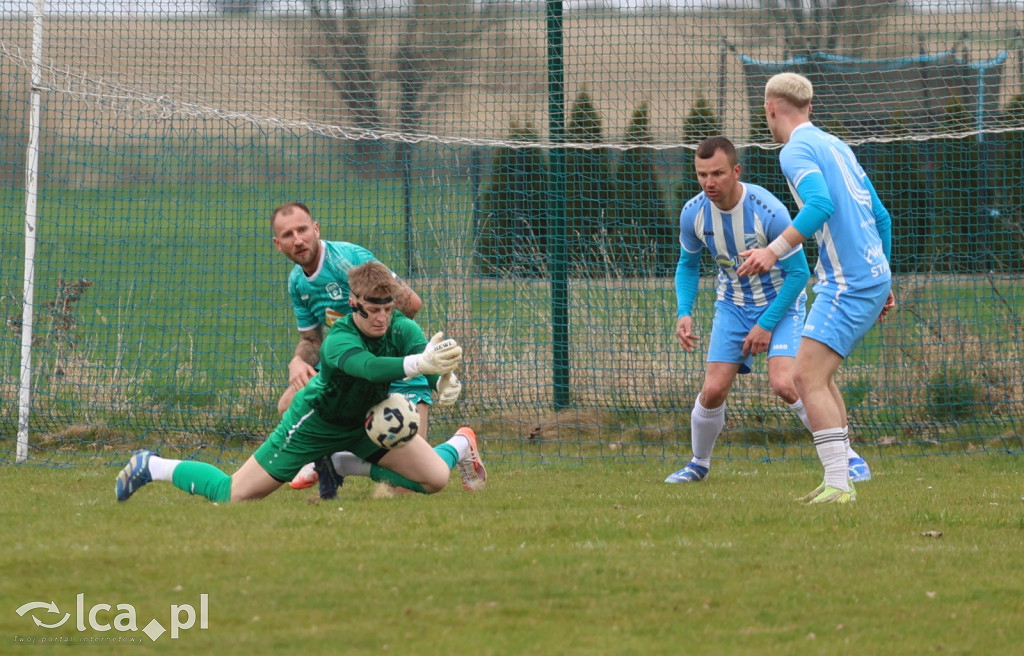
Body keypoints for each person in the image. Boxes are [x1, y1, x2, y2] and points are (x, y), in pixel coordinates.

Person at [115, 261, 487, 504]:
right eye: (373, 312)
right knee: (234, 494)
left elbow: (426, 355)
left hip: (365, 424)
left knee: (435, 479)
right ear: (354, 304)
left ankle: (443, 444)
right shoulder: (340, 339)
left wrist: (441, 380)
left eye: (388, 311)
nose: (382, 320)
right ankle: (151, 466)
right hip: (316, 422)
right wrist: (420, 363)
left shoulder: (401, 327)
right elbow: (372, 368)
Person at [737, 72, 896, 504]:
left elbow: (821, 205)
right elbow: (881, 217)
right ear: (811, 106)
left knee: (805, 376)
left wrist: (772, 250)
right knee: (819, 377)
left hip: (849, 282)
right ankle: (842, 478)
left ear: (770, 108)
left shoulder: (795, 151)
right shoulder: (836, 145)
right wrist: (885, 278)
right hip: (867, 275)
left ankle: (839, 486)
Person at [270, 202, 454, 499]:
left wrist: (383, 351)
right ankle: (329, 464)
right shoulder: (296, 281)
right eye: (288, 234)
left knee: (408, 486)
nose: (298, 239)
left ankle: (460, 445)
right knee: (288, 403)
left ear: (315, 228)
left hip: (395, 368)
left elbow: (411, 304)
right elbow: (313, 341)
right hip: (353, 369)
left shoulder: (348, 259)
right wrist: (297, 361)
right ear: (279, 245)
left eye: (302, 230)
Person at [664, 136, 813, 484]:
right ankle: (698, 464)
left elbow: (799, 275)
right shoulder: (694, 212)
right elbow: (687, 265)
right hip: (732, 305)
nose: (709, 183)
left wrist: (766, 323)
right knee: (713, 390)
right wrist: (683, 311)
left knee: (785, 384)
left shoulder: (768, 211)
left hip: (782, 304)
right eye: (701, 175)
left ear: (736, 170)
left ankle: (843, 454)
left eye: (717, 173)